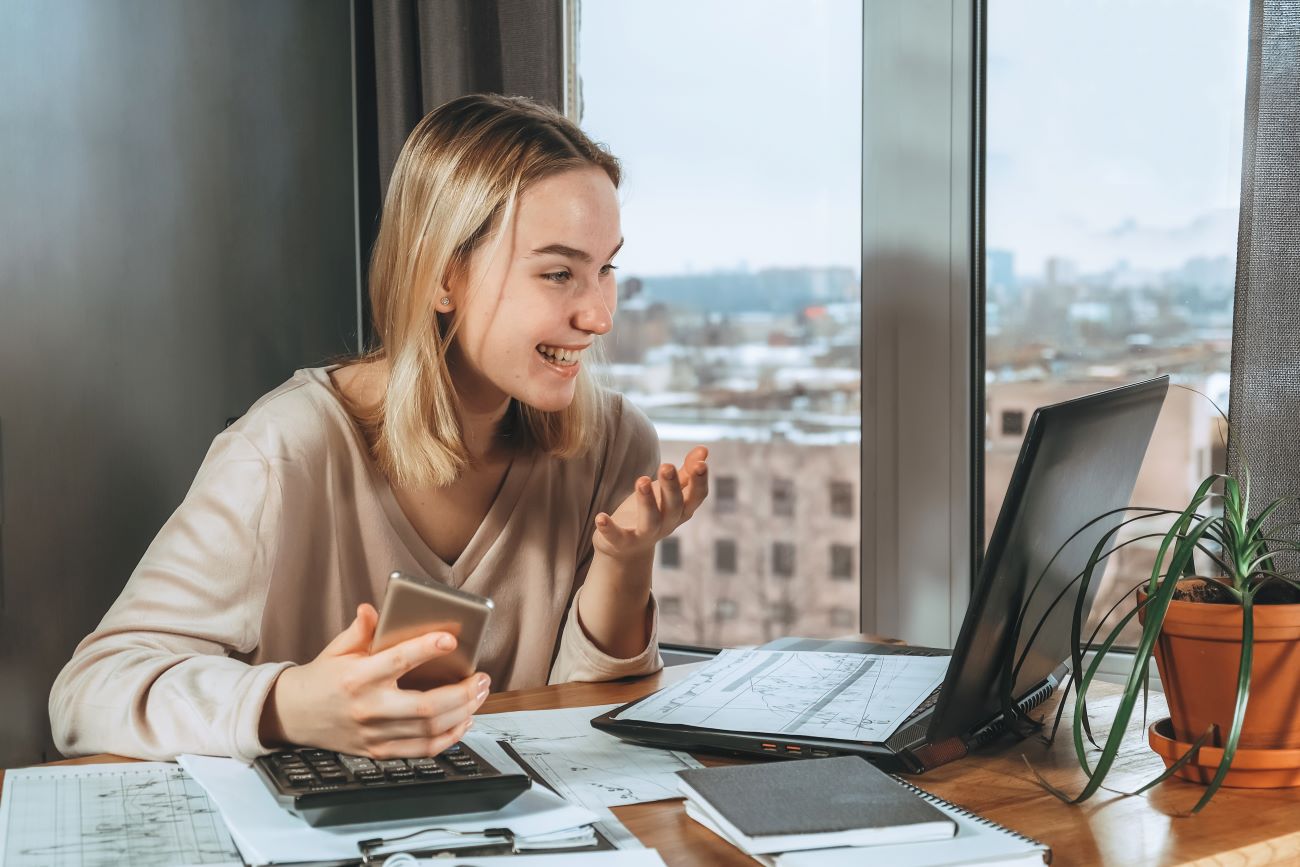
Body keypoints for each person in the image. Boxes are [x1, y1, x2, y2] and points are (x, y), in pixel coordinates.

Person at [49, 94, 709, 764]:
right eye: (560, 273)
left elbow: (589, 734)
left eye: (607, 270)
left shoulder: (616, 444)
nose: (599, 316)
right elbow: (86, 694)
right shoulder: (282, 454)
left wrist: (623, 564)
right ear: (444, 275)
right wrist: (290, 703)